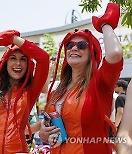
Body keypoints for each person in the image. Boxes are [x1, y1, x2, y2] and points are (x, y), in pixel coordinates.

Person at [39, 2, 123, 154]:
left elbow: (115, 54)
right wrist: (43, 133)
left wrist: (105, 24)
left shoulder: (100, 83)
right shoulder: (57, 91)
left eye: (82, 45)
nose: (74, 48)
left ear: (92, 54)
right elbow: (48, 128)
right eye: (70, 45)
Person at [117, 79, 132, 154]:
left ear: (120, 87)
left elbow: (120, 112)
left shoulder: (120, 98)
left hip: (121, 123)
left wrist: (116, 125)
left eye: (116, 86)